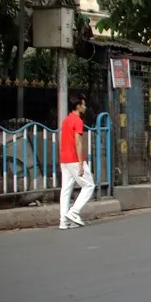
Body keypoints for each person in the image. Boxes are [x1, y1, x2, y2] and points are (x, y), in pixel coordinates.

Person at [59, 93, 94, 229]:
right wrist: (80, 163)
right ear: (78, 106)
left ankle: (63, 220)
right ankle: (74, 212)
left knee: (66, 190)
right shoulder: (78, 121)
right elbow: (78, 143)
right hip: (74, 159)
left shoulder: (66, 120)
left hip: (64, 159)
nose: (85, 107)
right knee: (89, 185)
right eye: (83, 104)